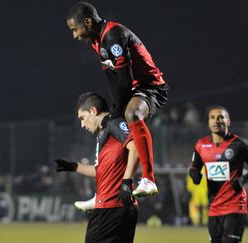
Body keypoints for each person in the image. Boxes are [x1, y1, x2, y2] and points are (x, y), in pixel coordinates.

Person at [66, 2, 169, 197]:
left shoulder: (114, 36)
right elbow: (112, 79)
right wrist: (114, 113)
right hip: (132, 88)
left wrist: (118, 110)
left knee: (131, 114)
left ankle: (148, 179)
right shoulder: (97, 41)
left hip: (150, 87)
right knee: (109, 128)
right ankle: (104, 193)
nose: (75, 35)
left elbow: (124, 79)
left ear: (87, 22)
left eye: (75, 29)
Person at [55, 92, 138, 243]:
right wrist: (73, 166)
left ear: (93, 110)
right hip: (118, 208)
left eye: (82, 118)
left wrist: (127, 182)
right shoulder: (104, 133)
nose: (82, 124)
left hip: (111, 208)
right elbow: (101, 171)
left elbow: (136, 148)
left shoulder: (113, 124)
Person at [188, 105, 248, 243]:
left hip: (235, 205)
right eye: (212, 117)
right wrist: (195, 176)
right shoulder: (201, 145)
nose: (216, 120)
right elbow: (194, 167)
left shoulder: (240, 144)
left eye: (221, 117)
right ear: (209, 122)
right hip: (214, 207)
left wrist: (243, 179)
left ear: (228, 121)